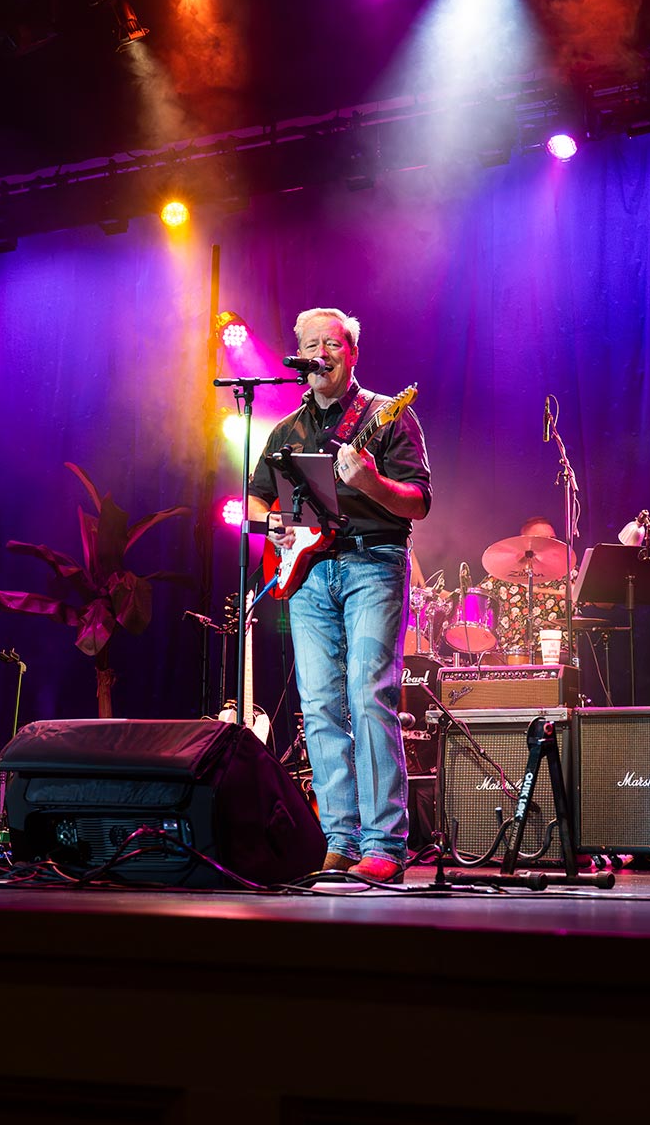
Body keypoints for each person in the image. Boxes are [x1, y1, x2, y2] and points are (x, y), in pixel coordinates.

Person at [248, 307, 431, 882]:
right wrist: (272, 523)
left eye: (332, 342)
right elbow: (255, 501)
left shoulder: (388, 415)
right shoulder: (285, 430)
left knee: (368, 693)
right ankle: (340, 838)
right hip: (306, 572)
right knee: (320, 703)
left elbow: (418, 502)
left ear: (352, 353)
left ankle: (384, 844)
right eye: (311, 343)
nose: (320, 351)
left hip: (373, 563)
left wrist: (372, 482)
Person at [483, 516, 571, 661]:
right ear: (524, 544)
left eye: (553, 539)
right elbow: (470, 600)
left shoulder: (567, 574)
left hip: (558, 656)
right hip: (510, 657)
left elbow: (601, 602)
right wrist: (439, 594)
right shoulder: (500, 576)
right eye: (543, 540)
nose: (551, 544)